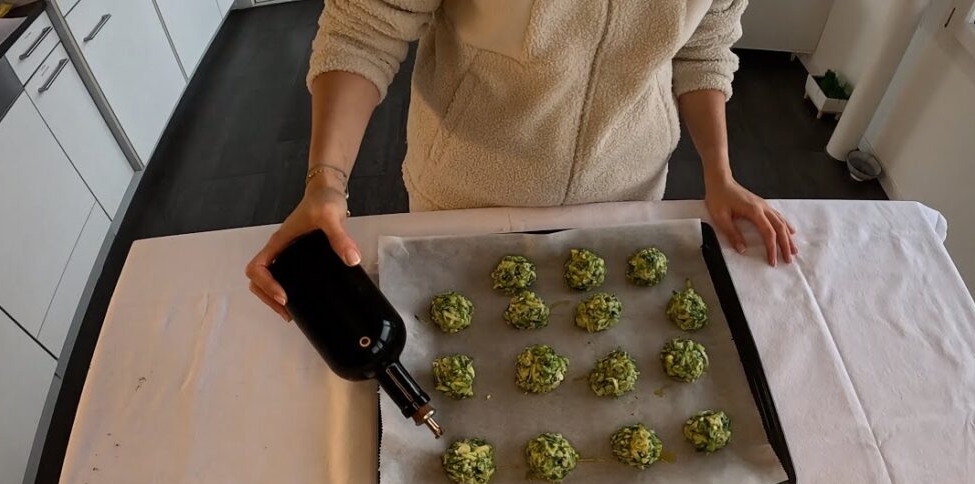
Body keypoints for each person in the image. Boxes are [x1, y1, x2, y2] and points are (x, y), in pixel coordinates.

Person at [247, 0, 797, 320]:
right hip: (465, 192)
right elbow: (366, 26)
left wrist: (719, 173)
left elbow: (704, 46)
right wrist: (326, 181)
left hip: (627, 190)